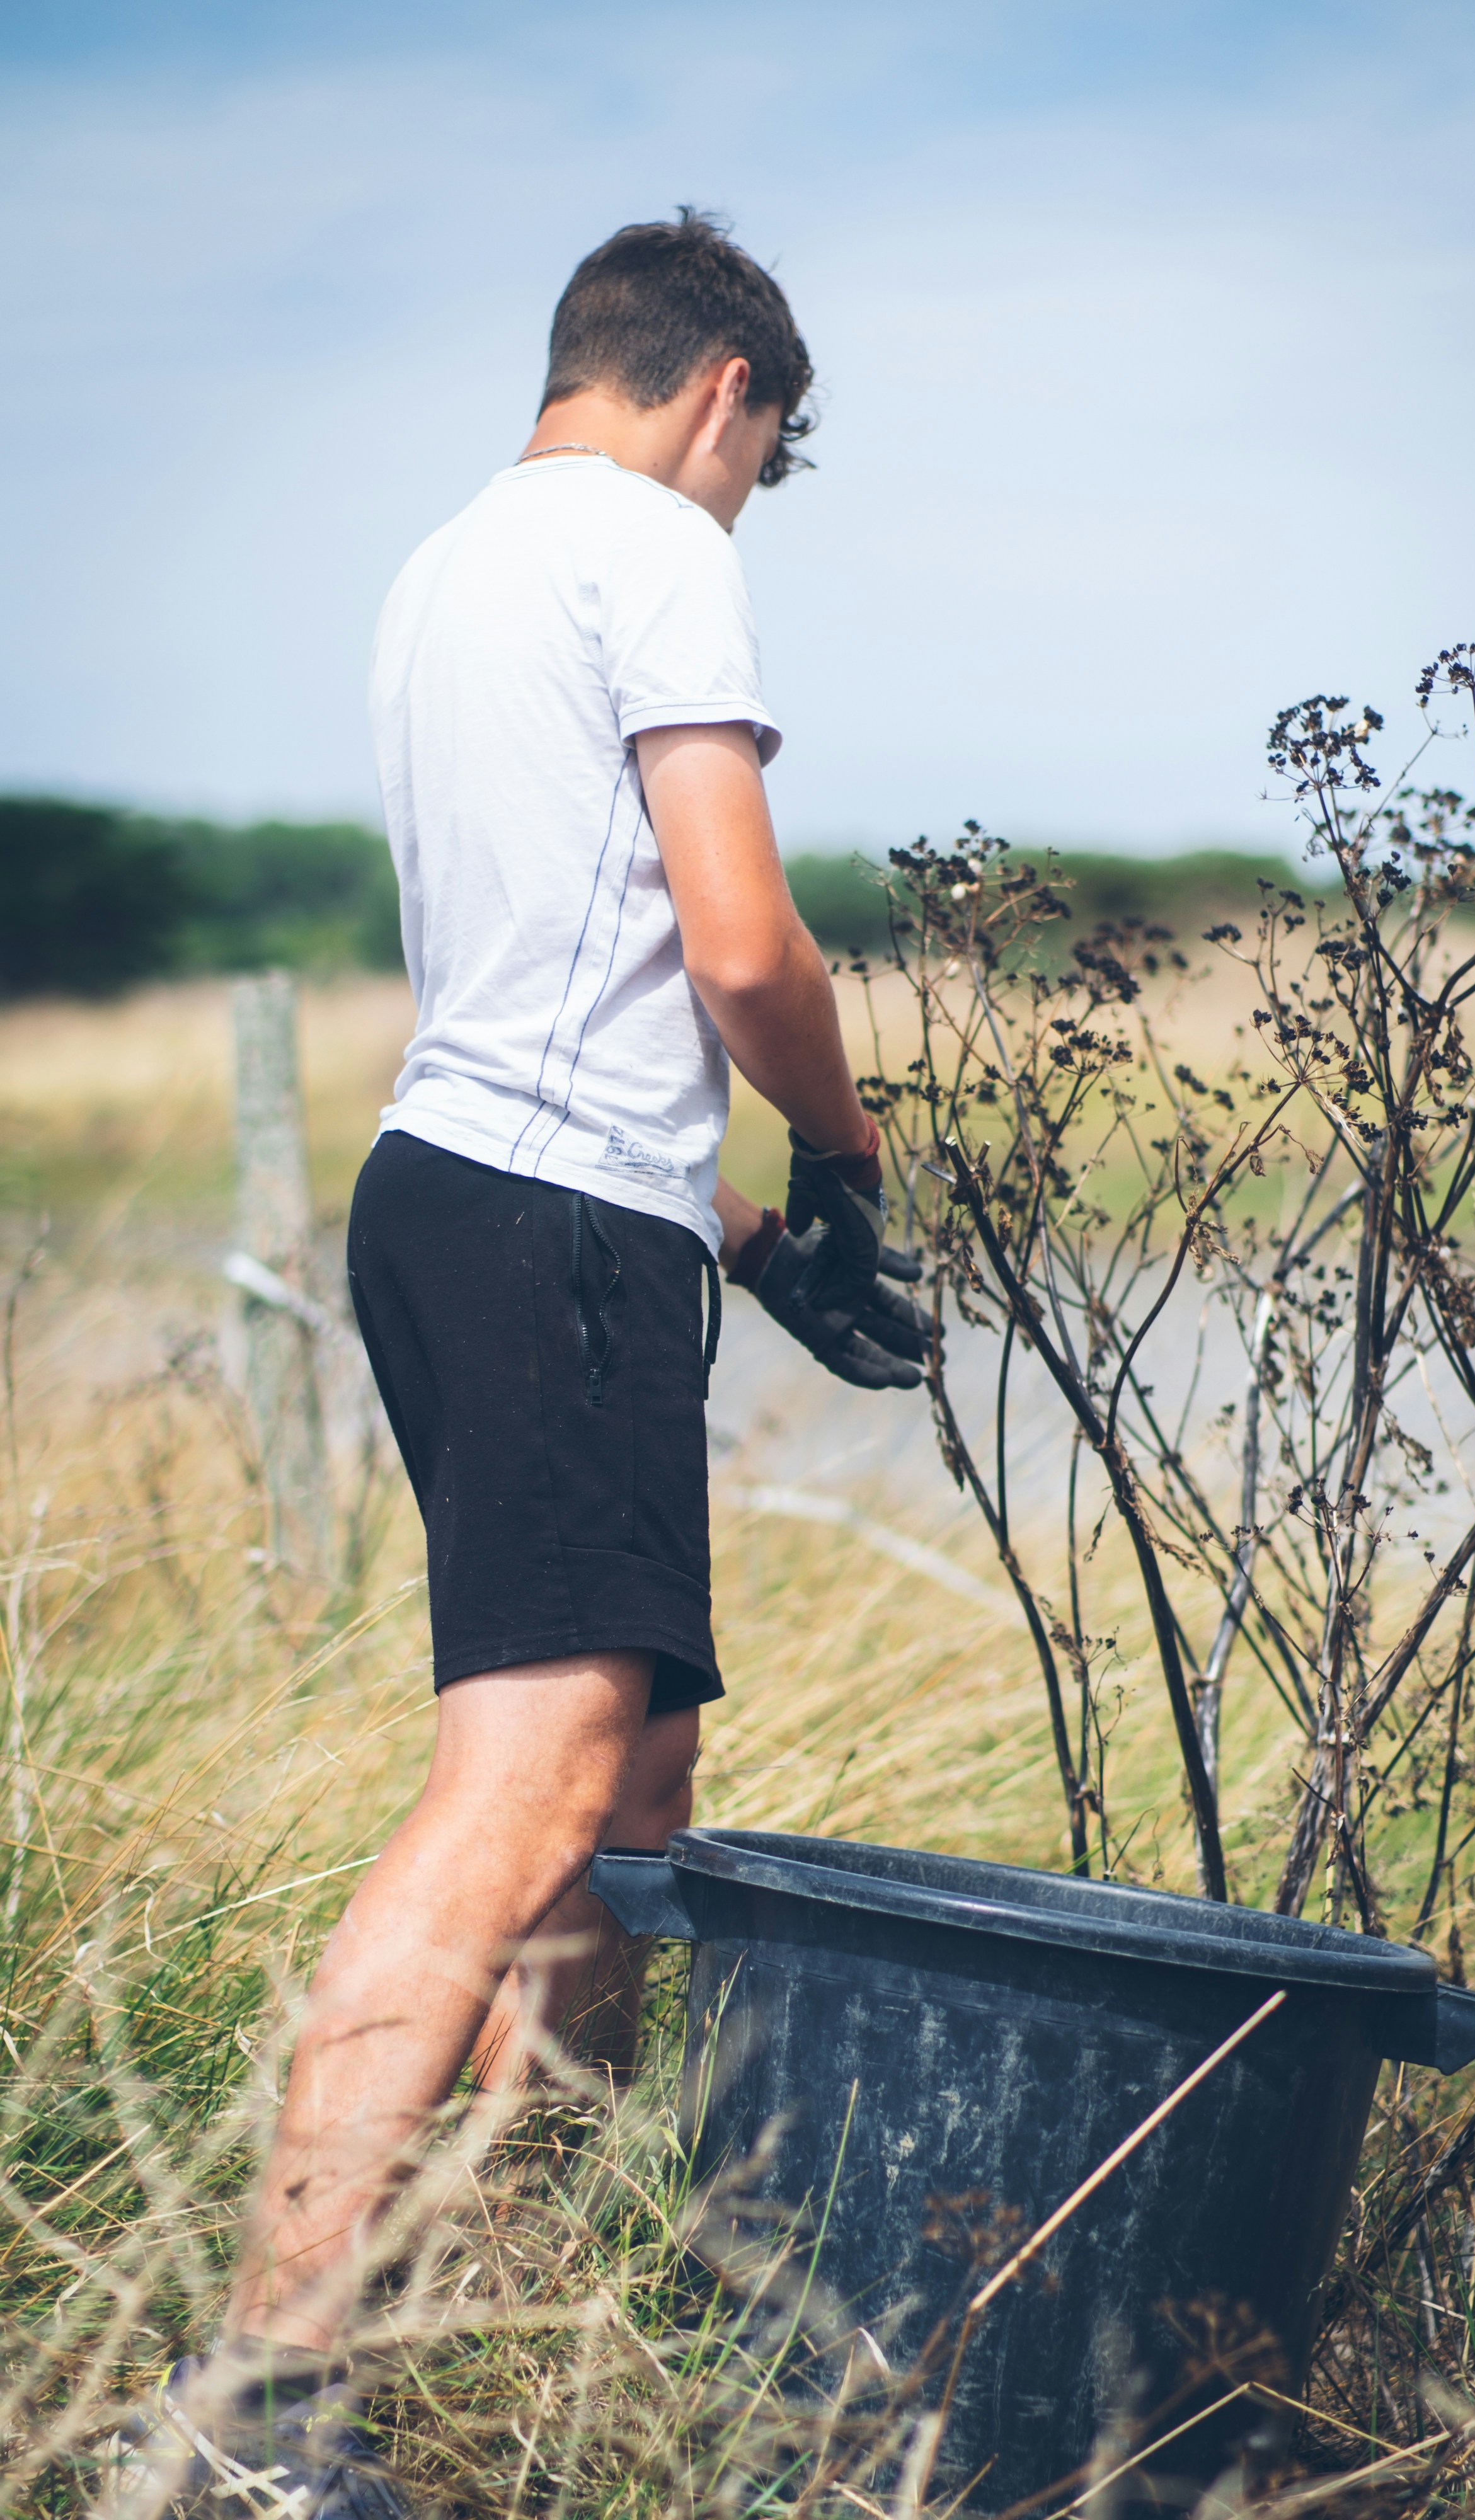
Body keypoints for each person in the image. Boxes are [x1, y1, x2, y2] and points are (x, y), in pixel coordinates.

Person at [118, 210, 928, 2519]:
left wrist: (756, 1245)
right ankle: (262, 2405)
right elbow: (738, 943)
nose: (747, 493)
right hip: (549, 1225)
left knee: (632, 1787)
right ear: (726, 391)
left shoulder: (447, 570)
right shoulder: (654, 550)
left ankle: (506, 2298)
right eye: (763, 455)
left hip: (486, 1197)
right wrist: (848, 1157)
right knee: (522, 1787)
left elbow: (539, 993)